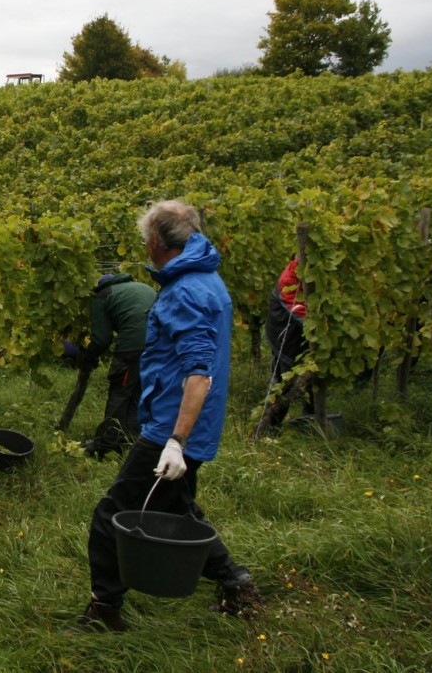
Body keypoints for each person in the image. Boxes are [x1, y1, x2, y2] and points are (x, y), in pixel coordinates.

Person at [79, 201, 262, 633]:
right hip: (188, 423)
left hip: (171, 428)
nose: (145, 245)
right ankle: (236, 584)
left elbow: (199, 373)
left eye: (146, 238)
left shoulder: (186, 292)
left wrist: (175, 442)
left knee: (110, 516)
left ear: (157, 242)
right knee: (178, 510)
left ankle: (104, 611)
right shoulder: (203, 278)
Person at [80, 272, 156, 459]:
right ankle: (131, 441)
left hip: (132, 348)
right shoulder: (143, 287)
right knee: (140, 393)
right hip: (160, 347)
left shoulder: (103, 295)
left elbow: (102, 338)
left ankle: (105, 444)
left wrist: (89, 357)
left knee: (120, 393)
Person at [257, 257, 314, 434]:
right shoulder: (289, 278)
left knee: (312, 377)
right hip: (283, 335)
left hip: (300, 336)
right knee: (283, 382)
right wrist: (318, 326)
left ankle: (311, 418)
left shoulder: (316, 271)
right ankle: (269, 428)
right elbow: (298, 310)